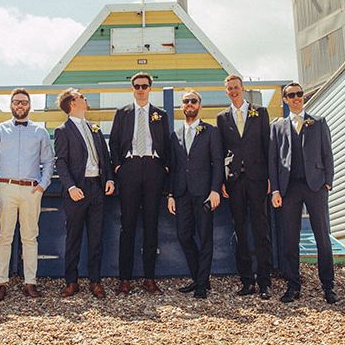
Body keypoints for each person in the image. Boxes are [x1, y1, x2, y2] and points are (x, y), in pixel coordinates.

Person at [0, 88, 54, 301]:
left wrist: (43, 185)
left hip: (31, 189)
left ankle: (30, 282)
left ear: (30, 105)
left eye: (24, 102)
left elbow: (48, 161)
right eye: (16, 102)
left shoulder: (40, 132)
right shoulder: (0, 130)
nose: (20, 105)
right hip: (6, 187)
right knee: (4, 237)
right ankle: (1, 283)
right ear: (11, 105)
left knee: (30, 237)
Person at [269, 82, 338, 304]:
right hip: (289, 188)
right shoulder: (278, 127)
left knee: (322, 237)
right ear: (285, 100)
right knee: (289, 238)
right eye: (291, 95)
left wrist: (328, 181)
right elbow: (273, 160)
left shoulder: (318, 122)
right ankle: (293, 285)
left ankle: (328, 286)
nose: (296, 97)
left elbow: (327, 153)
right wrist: (276, 189)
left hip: (315, 186)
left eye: (299, 94)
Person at [109, 72, 171, 295]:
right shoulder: (123, 113)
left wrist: (164, 166)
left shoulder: (160, 114)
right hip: (130, 168)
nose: (141, 89)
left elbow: (167, 142)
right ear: (132, 88)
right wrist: (118, 167)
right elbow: (114, 142)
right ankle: (124, 278)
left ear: (150, 88)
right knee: (128, 225)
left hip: (154, 168)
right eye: (137, 86)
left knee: (151, 224)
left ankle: (149, 277)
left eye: (144, 86)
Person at [54, 88, 115, 299]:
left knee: (96, 237)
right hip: (76, 190)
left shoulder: (95, 128)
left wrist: (108, 178)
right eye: (81, 96)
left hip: (96, 187)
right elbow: (60, 162)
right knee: (74, 237)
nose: (85, 98)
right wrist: (70, 187)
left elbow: (105, 157)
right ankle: (71, 282)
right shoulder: (63, 130)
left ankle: (95, 281)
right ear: (72, 103)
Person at [216, 75, 273, 299]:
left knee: (261, 230)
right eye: (229, 88)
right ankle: (247, 281)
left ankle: (265, 282)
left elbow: (267, 145)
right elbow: (221, 152)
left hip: (258, 178)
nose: (233, 91)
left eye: (236, 87)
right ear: (226, 91)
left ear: (243, 88)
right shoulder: (222, 118)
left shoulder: (260, 112)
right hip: (234, 181)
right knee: (240, 231)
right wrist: (221, 180)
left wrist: (270, 178)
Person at [167, 91, 222, 299]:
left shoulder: (211, 131)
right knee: (183, 236)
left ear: (200, 105)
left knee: (205, 237)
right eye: (186, 101)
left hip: (204, 193)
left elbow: (217, 162)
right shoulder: (175, 134)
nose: (189, 104)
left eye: (193, 101)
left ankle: (201, 284)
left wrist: (215, 190)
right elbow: (173, 167)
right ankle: (200, 278)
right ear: (182, 106)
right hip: (181, 193)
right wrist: (170, 194)